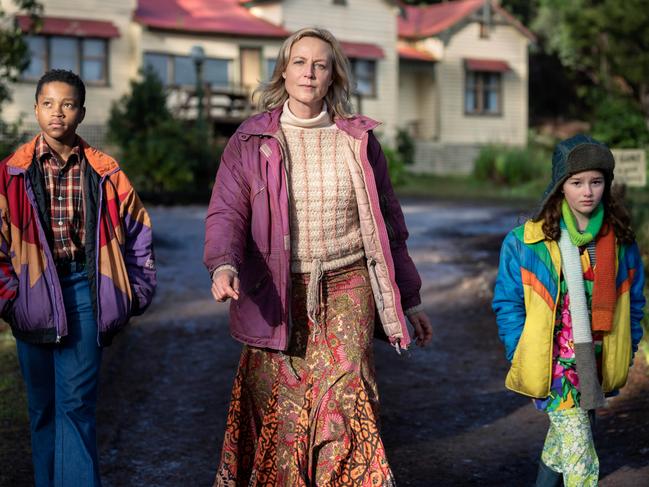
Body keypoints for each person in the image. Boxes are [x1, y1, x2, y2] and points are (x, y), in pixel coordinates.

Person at [204, 27, 432, 486]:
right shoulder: (251, 141)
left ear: (333, 77)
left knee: (347, 391)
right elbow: (228, 210)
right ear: (283, 72)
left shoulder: (358, 140)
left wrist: (409, 299)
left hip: (349, 282)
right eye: (300, 62)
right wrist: (223, 263)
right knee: (282, 403)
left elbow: (390, 225)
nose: (309, 72)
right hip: (275, 287)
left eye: (321, 64)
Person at [0, 69, 156, 487]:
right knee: (43, 409)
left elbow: (138, 229)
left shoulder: (105, 172)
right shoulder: (10, 174)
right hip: (31, 295)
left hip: (84, 290)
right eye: (48, 104)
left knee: (76, 404)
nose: (57, 113)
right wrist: (8, 297)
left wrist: (132, 293)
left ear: (81, 112)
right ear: (35, 109)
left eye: (67, 104)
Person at [492, 135, 645, 486]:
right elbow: (508, 303)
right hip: (555, 366)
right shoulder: (525, 242)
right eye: (576, 183)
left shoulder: (621, 242)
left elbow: (634, 304)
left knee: (563, 446)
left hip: (598, 360)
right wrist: (520, 351)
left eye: (596, 181)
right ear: (561, 187)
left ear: (607, 185)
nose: (587, 191)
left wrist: (627, 349)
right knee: (582, 463)